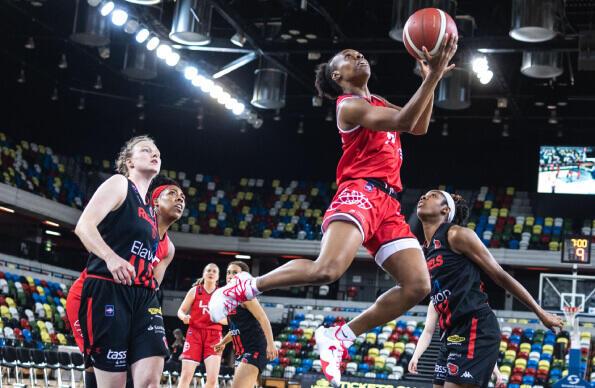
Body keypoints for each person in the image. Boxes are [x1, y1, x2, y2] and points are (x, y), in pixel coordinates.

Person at [210, 36, 458, 385]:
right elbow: (404, 121)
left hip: (388, 204)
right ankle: (245, 287)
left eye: (357, 51)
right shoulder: (348, 106)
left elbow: (418, 125)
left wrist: (430, 79)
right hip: (360, 191)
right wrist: (431, 77)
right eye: (346, 57)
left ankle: (338, 337)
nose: (358, 55)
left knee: (418, 285)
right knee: (327, 270)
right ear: (337, 76)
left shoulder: (377, 100)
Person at [414, 190, 563, 387]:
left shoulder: (457, 234)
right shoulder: (427, 249)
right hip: (450, 333)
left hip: (475, 325)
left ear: (445, 209)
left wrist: (540, 312)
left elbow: (500, 275)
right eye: (423, 194)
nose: (423, 197)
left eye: (432, 195)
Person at [66, 173, 185, 387]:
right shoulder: (131, 219)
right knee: (100, 365)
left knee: (137, 367)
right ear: (155, 202)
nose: (180, 199)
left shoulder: (168, 249)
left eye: (183, 197)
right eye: (173, 194)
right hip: (90, 296)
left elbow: (152, 287)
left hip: (133, 301)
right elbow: (87, 228)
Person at [73, 135, 167, 388]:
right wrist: (111, 257)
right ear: (129, 161)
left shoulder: (149, 210)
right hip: (108, 288)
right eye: (146, 150)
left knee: (149, 382)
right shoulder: (119, 184)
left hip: (143, 295)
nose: (155, 154)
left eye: (157, 151)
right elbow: (84, 226)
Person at [212, 261, 277, 388]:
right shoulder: (229, 300)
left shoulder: (246, 297)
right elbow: (236, 329)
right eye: (228, 272)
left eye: (235, 273)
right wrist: (222, 343)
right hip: (241, 351)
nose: (230, 275)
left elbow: (263, 319)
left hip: (255, 349)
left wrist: (271, 343)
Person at [408, 304, 503, 388]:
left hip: (466, 348)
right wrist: (415, 356)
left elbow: (482, 337)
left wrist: (495, 368)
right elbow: (428, 331)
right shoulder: (436, 299)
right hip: (446, 347)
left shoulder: (473, 297)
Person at [176, 264, 223, 388]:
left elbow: (229, 320)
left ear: (217, 277)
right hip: (194, 333)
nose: (211, 273)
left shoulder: (221, 293)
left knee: (212, 380)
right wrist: (183, 317)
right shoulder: (195, 290)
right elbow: (180, 311)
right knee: (186, 376)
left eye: (214, 271)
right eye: (208, 270)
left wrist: (218, 318)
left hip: (214, 335)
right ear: (204, 274)